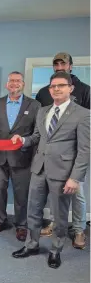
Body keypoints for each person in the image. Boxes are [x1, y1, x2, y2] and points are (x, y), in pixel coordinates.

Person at [11, 71, 90, 269]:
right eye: (53, 86)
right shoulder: (43, 111)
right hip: (39, 168)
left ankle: (56, 250)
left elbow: (84, 150)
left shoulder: (83, 114)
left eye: (61, 85)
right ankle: (32, 244)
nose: (56, 89)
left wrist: (75, 178)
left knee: (60, 215)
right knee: (33, 210)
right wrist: (23, 140)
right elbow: (37, 137)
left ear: (70, 88)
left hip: (63, 173)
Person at [35, 52, 90, 249]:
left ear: (70, 66)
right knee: (54, 195)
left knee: (77, 193)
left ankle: (78, 229)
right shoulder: (43, 93)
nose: (60, 66)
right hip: (50, 157)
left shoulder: (84, 90)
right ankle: (55, 223)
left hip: (74, 155)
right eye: (56, 63)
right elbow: (42, 125)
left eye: (63, 63)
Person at [0, 71, 40, 242]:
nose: (14, 84)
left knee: (21, 194)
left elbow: (37, 134)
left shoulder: (34, 105)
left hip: (22, 158)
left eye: (18, 81)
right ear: (6, 84)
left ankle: (21, 225)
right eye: (11, 81)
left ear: (23, 84)